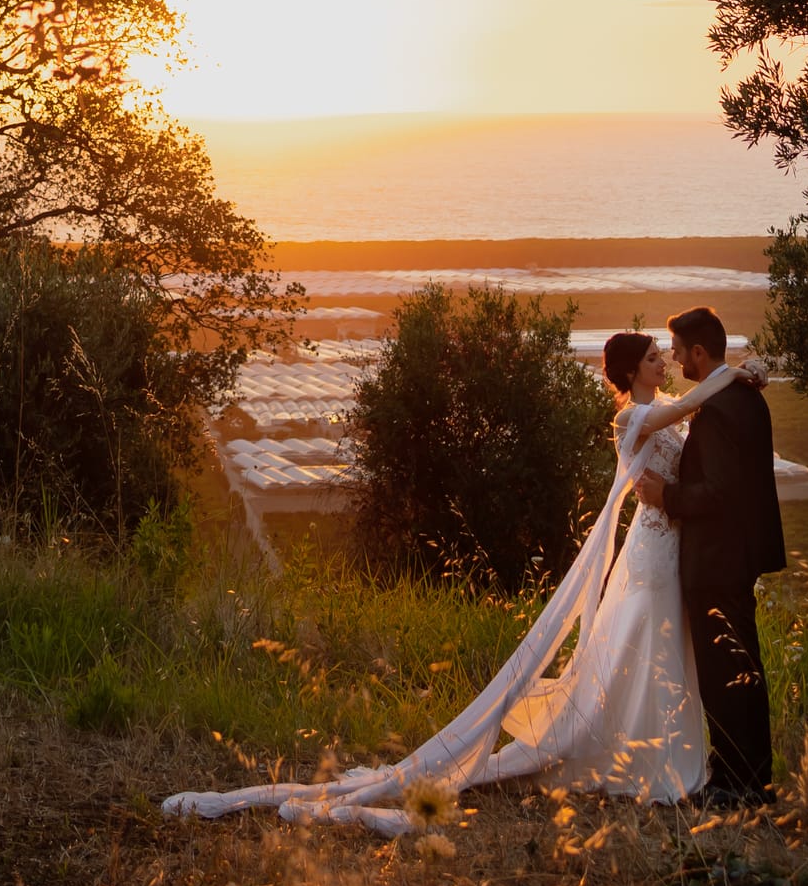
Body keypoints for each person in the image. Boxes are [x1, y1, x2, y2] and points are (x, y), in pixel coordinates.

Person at [163, 322, 769, 835]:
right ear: (632, 371)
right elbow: (685, 411)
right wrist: (735, 374)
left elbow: (689, 435)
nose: (663, 361)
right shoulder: (633, 418)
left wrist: (741, 376)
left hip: (670, 545)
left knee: (661, 647)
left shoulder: (662, 410)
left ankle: (673, 750)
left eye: (666, 353)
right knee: (646, 641)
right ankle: (648, 756)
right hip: (651, 548)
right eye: (654, 356)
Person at [633, 304, 784, 804]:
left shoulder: (719, 410)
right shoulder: (742, 396)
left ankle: (735, 785)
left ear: (699, 351)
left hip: (717, 559)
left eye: (677, 352)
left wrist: (666, 498)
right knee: (741, 668)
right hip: (736, 555)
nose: (675, 361)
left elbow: (717, 491)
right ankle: (748, 776)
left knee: (726, 677)